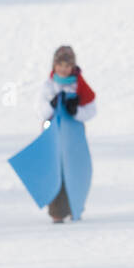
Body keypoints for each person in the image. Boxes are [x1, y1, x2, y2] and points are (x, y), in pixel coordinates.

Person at [37, 45, 97, 223]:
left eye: (67, 65)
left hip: (73, 139)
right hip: (53, 136)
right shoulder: (48, 86)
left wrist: (76, 111)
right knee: (56, 170)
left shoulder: (79, 86)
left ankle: (74, 205)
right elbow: (40, 110)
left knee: (74, 170)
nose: (63, 69)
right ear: (54, 66)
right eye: (60, 65)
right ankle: (56, 210)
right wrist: (51, 106)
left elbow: (91, 109)